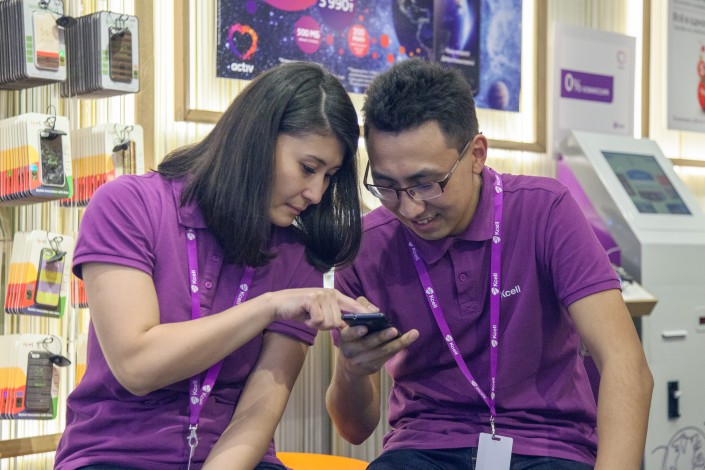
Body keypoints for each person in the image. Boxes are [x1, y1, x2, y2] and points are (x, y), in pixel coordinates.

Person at [326, 59, 654, 470]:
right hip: (423, 446)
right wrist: (353, 370)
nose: (410, 208)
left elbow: (625, 364)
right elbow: (354, 430)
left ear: (476, 154)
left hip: (549, 445)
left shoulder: (546, 210)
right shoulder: (366, 245)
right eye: (387, 186)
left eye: (427, 184)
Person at [54, 61, 372, 470]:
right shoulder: (127, 204)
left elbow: (259, 411)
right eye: (308, 168)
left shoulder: (297, 254)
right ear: (257, 139)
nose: (315, 193)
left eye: (329, 176)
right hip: (115, 454)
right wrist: (268, 306)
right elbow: (137, 366)